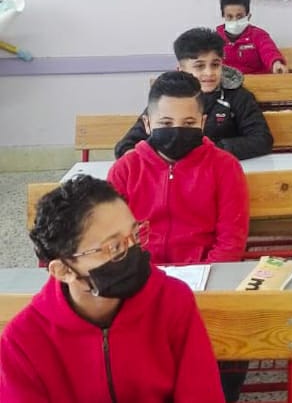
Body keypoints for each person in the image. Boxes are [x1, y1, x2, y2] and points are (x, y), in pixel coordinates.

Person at [0, 175, 225, 403]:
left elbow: (203, 396)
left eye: (135, 235)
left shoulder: (172, 300)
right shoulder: (22, 342)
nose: (132, 251)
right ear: (63, 270)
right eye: (114, 246)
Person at [108, 70, 250, 402]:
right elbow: (113, 239)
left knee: (227, 345)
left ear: (203, 123)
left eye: (188, 123)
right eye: (166, 122)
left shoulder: (225, 167)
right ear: (147, 124)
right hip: (142, 284)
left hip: (207, 282)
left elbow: (230, 241)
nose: (177, 130)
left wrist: (202, 283)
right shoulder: (125, 170)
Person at [115, 27, 273, 159]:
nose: (209, 73)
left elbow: (261, 139)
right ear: (181, 70)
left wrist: (212, 151)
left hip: (217, 170)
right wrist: (152, 159)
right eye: (199, 66)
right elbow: (126, 146)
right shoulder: (168, 98)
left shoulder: (238, 96)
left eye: (215, 65)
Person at [217, 0, 287, 74]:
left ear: (248, 16)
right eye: (229, 16)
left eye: (239, 16)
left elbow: (268, 51)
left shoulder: (259, 35)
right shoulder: (215, 38)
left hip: (257, 80)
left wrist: (276, 63)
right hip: (227, 81)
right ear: (223, 16)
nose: (234, 20)